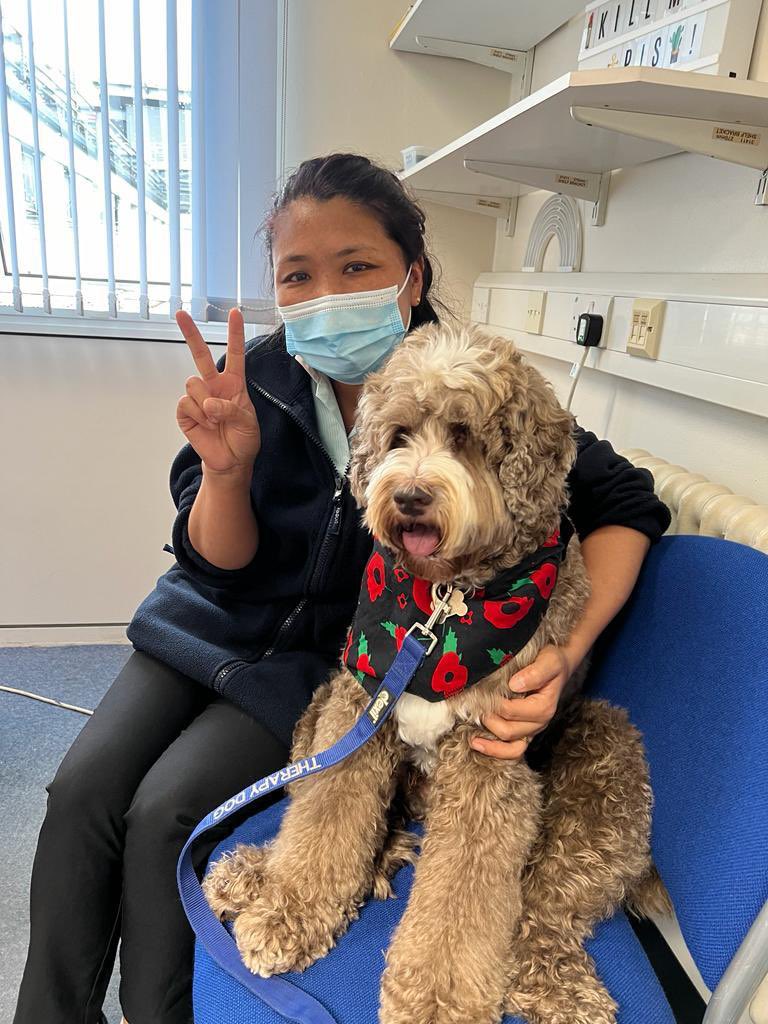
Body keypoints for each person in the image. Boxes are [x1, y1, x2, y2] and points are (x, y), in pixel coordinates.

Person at [13, 152, 671, 1024]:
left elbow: (627, 504)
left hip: (325, 664)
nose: (326, 293)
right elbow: (215, 562)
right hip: (205, 623)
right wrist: (227, 472)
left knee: (167, 813)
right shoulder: (257, 383)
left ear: (412, 275)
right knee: (80, 795)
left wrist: (565, 648)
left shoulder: (481, 384)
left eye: (356, 266)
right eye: (297, 276)